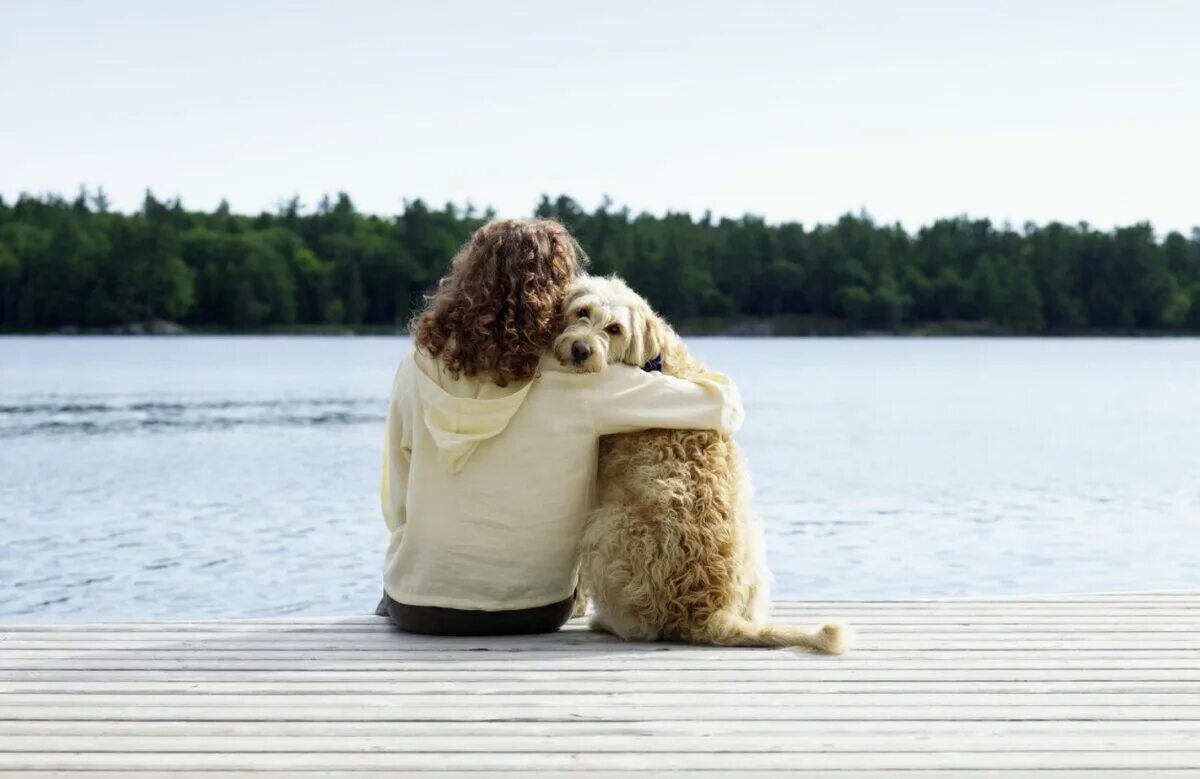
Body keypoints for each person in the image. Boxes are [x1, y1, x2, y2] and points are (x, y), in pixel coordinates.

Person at [377, 218, 743, 636]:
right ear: (555, 296)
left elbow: (396, 499)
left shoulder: (415, 367)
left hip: (418, 605)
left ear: (464, 280)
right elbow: (723, 408)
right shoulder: (585, 382)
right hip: (534, 608)